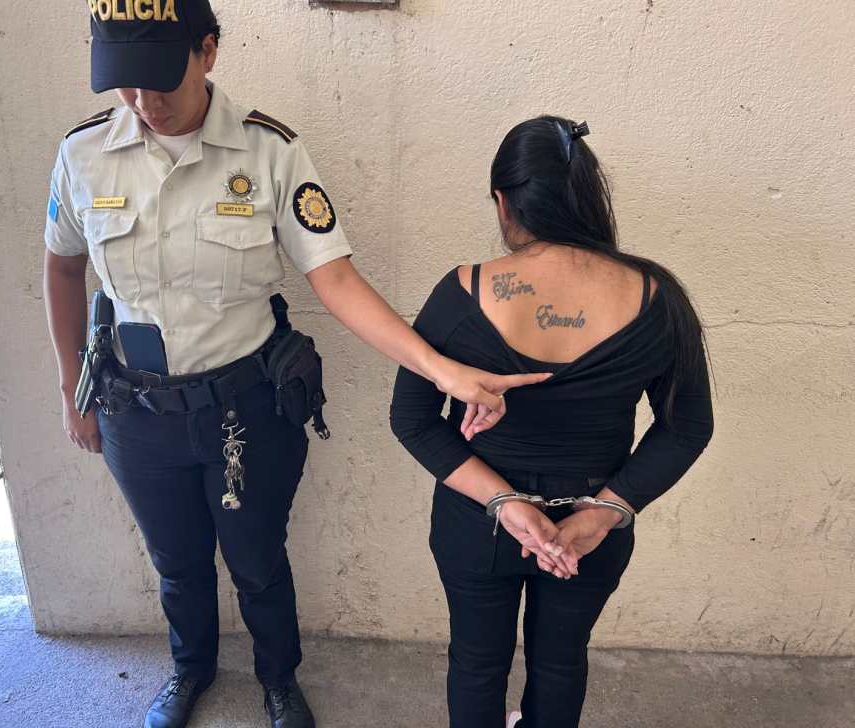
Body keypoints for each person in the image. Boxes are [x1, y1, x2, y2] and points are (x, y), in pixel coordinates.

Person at [43, 3, 546, 727]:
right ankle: (190, 671)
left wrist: (441, 369)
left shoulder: (268, 152)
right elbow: (63, 269)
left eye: (160, 78)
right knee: (175, 562)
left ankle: (279, 679)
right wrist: (73, 388)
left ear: (207, 51)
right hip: (138, 414)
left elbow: (335, 279)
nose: (144, 101)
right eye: (125, 81)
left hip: (244, 410)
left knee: (257, 561)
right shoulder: (84, 153)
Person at [389, 117, 714, 728]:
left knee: (476, 663)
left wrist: (505, 504)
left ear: (503, 201)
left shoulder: (463, 292)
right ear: (590, 197)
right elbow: (686, 428)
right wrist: (606, 511)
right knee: (562, 663)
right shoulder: (658, 297)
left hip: (479, 520)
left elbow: (412, 420)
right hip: (590, 527)